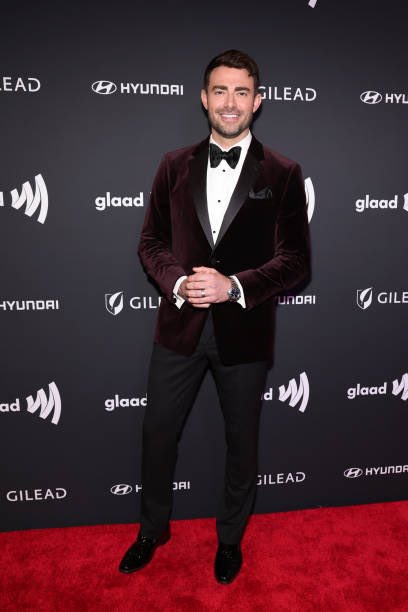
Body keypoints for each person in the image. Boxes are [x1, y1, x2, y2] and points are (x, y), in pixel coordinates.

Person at [119, 49, 310, 584]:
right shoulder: (172, 164)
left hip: (244, 330)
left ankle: (230, 540)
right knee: (157, 434)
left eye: (242, 92)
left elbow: (296, 261)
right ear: (204, 99)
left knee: (241, 442)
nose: (230, 103)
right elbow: (151, 241)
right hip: (179, 327)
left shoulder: (285, 172)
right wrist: (179, 282)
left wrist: (233, 286)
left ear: (258, 101)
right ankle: (152, 529)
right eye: (220, 91)